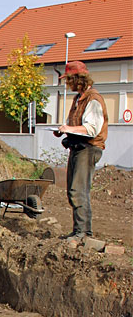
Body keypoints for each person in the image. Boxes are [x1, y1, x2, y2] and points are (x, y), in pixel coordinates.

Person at [54, 60, 108, 240]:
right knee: (72, 190)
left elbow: (91, 129)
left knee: (79, 190)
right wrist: (66, 133)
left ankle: (84, 233)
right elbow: (77, 125)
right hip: (78, 148)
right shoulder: (79, 99)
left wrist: (68, 129)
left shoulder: (93, 99)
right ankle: (79, 230)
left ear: (78, 79)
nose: (67, 83)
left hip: (88, 149)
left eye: (69, 80)